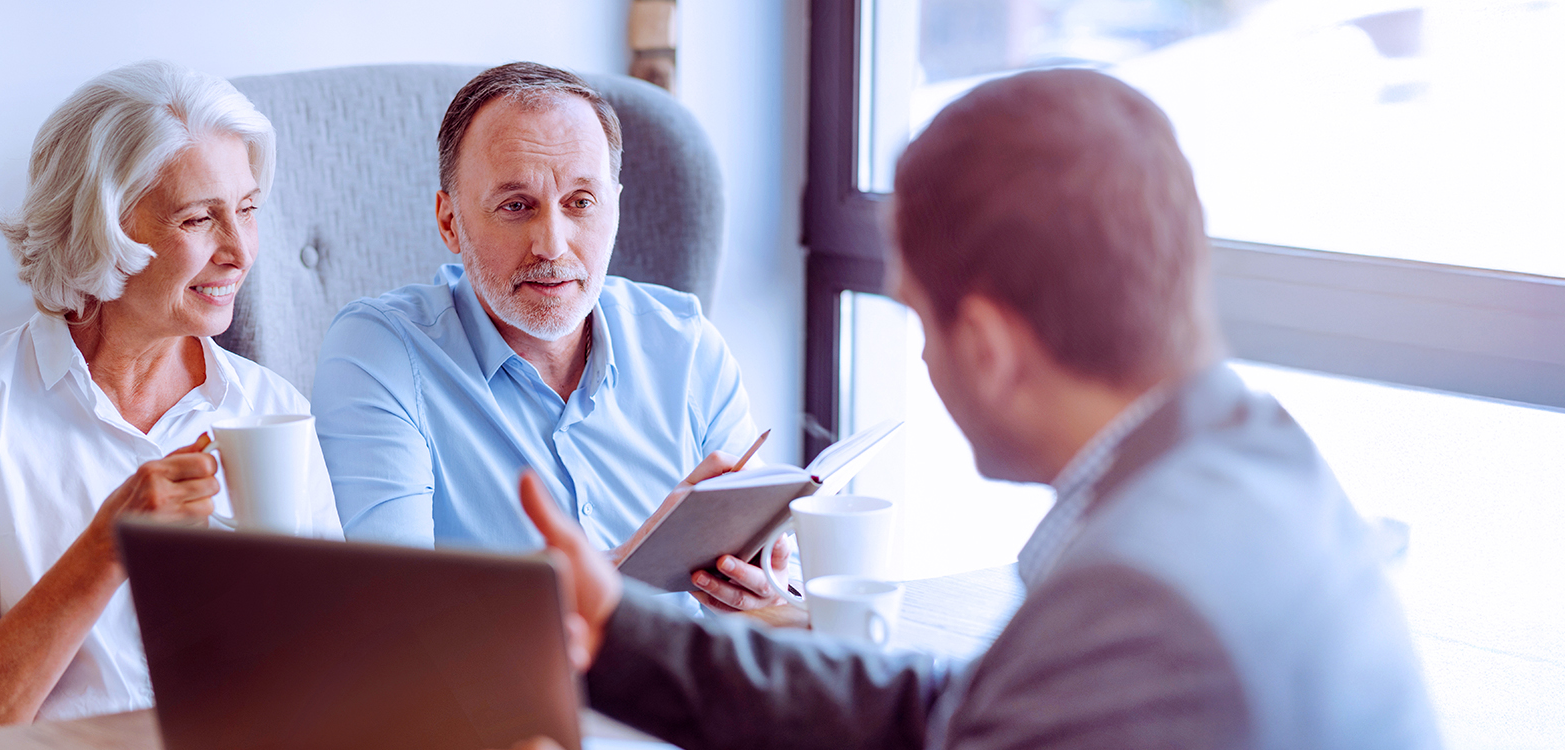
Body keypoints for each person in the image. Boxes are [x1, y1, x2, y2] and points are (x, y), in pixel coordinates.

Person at [511, 69, 1443, 749]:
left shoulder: (1139, 605)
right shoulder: (1253, 463)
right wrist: (626, 639)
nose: (922, 355)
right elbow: (956, 709)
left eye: (919, 318)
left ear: (991, 348)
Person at [0, 60, 340, 750]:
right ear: (105, 228)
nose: (241, 252)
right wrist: (105, 549)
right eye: (198, 218)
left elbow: (337, 680)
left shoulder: (272, 409)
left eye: (246, 209)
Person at [309, 62, 795, 619]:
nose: (552, 245)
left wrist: (755, 589)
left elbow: (768, 587)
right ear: (449, 222)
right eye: (516, 206)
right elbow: (395, 614)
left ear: (614, 208)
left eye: (580, 202)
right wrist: (628, 568)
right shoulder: (379, 353)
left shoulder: (686, 344)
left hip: (689, 695)